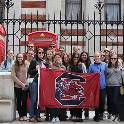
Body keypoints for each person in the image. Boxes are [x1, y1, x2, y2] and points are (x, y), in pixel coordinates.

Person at [28, 48, 46, 122]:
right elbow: (29, 72)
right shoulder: (33, 61)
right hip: (34, 82)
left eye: (42, 52)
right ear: (37, 53)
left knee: (38, 100)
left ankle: (37, 116)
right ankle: (31, 116)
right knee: (33, 99)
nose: (41, 54)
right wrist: (35, 69)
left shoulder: (43, 62)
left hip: (41, 82)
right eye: (39, 52)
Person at [89, 52, 108, 122]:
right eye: (95, 56)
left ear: (100, 57)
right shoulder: (91, 66)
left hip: (103, 86)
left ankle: (101, 114)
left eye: (98, 56)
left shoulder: (105, 65)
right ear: (94, 57)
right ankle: (97, 115)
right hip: (95, 87)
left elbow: (107, 74)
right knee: (96, 101)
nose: (97, 58)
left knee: (102, 101)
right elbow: (89, 76)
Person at [69, 53, 87, 122]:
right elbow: (67, 75)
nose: (75, 59)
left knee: (79, 101)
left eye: (77, 57)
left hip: (80, 85)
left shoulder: (82, 65)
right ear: (72, 58)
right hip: (72, 86)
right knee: (73, 101)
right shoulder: (70, 66)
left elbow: (85, 74)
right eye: (74, 57)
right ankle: (73, 115)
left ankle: (79, 116)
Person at [11, 53, 29, 121]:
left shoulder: (26, 64)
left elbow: (29, 73)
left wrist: (26, 82)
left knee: (24, 101)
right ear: (17, 58)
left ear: (23, 58)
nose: (20, 59)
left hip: (25, 86)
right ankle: (20, 115)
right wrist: (21, 84)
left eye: (21, 57)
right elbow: (13, 76)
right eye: (18, 57)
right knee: (19, 101)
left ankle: (24, 115)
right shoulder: (14, 65)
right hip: (17, 86)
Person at [106, 54, 122, 122]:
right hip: (109, 86)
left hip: (117, 86)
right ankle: (112, 113)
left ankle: (117, 114)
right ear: (110, 59)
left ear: (117, 59)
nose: (113, 59)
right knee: (110, 101)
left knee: (115, 100)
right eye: (112, 58)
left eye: (115, 58)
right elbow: (104, 75)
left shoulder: (120, 66)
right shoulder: (107, 66)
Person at [51, 54, 66, 123]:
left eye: (59, 57)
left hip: (60, 86)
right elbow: (50, 71)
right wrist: (59, 69)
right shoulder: (52, 66)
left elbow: (66, 75)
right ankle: (53, 116)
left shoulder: (63, 67)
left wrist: (62, 68)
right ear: (54, 59)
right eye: (56, 57)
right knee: (53, 102)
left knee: (58, 102)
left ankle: (57, 116)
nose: (58, 58)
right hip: (52, 86)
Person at [78, 51, 91, 119]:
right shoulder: (79, 64)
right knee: (79, 99)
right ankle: (79, 114)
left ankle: (86, 114)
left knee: (87, 99)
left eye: (85, 55)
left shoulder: (90, 64)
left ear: (87, 56)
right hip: (80, 83)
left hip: (87, 84)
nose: (84, 56)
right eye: (82, 55)